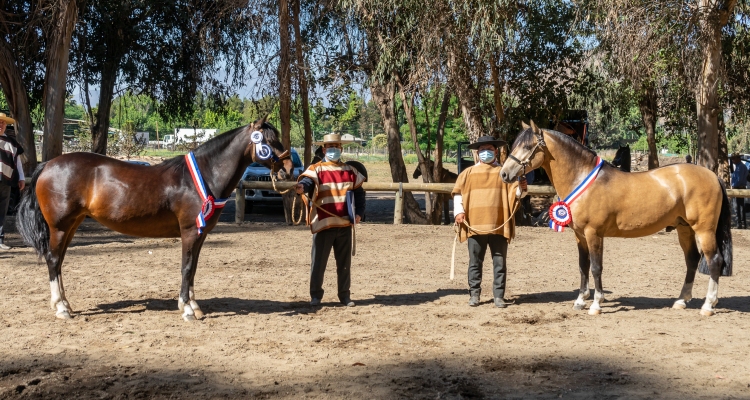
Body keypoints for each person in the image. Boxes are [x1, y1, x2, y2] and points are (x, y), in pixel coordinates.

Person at [452, 135, 526, 308]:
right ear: (478, 153)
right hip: (474, 225)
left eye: (489, 149)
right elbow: (458, 193)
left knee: (499, 262)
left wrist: (521, 189)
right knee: (475, 261)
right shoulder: (467, 174)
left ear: (496, 151)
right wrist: (459, 212)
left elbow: (515, 195)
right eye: (483, 150)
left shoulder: (504, 174)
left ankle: (498, 296)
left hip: (498, 224)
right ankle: (474, 294)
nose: (486, 152)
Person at [296, 133, 366, 307]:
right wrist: (302, 187)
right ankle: (316, 295)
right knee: (318, 262)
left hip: (344, 224)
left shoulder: (350, 171)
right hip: (323, 223)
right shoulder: (316, 169)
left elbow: (359, 192)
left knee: (344, 264)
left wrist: (360, 213)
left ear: (341, 149)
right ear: (324, 149)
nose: (333, 150)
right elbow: (308, 182)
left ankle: (345, 296)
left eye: (336, 146)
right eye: (330, 147)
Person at [0, 113, 25, 250]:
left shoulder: (11, 143)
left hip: (6, 180)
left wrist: (21, 178)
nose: (0, 125)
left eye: (3, 123)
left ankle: (0, 239)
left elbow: (18, 162)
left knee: (2, 210)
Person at [730, 153, 748, 229]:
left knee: (738, 206)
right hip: (740, 187)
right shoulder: (739, 166)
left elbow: (739, 179)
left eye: (733, 159)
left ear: (738, 158)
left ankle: (740, 223)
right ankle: (742, 222)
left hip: (739, 188)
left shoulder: (740, 167)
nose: (732, 160)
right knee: (740, 206)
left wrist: (734, 186)